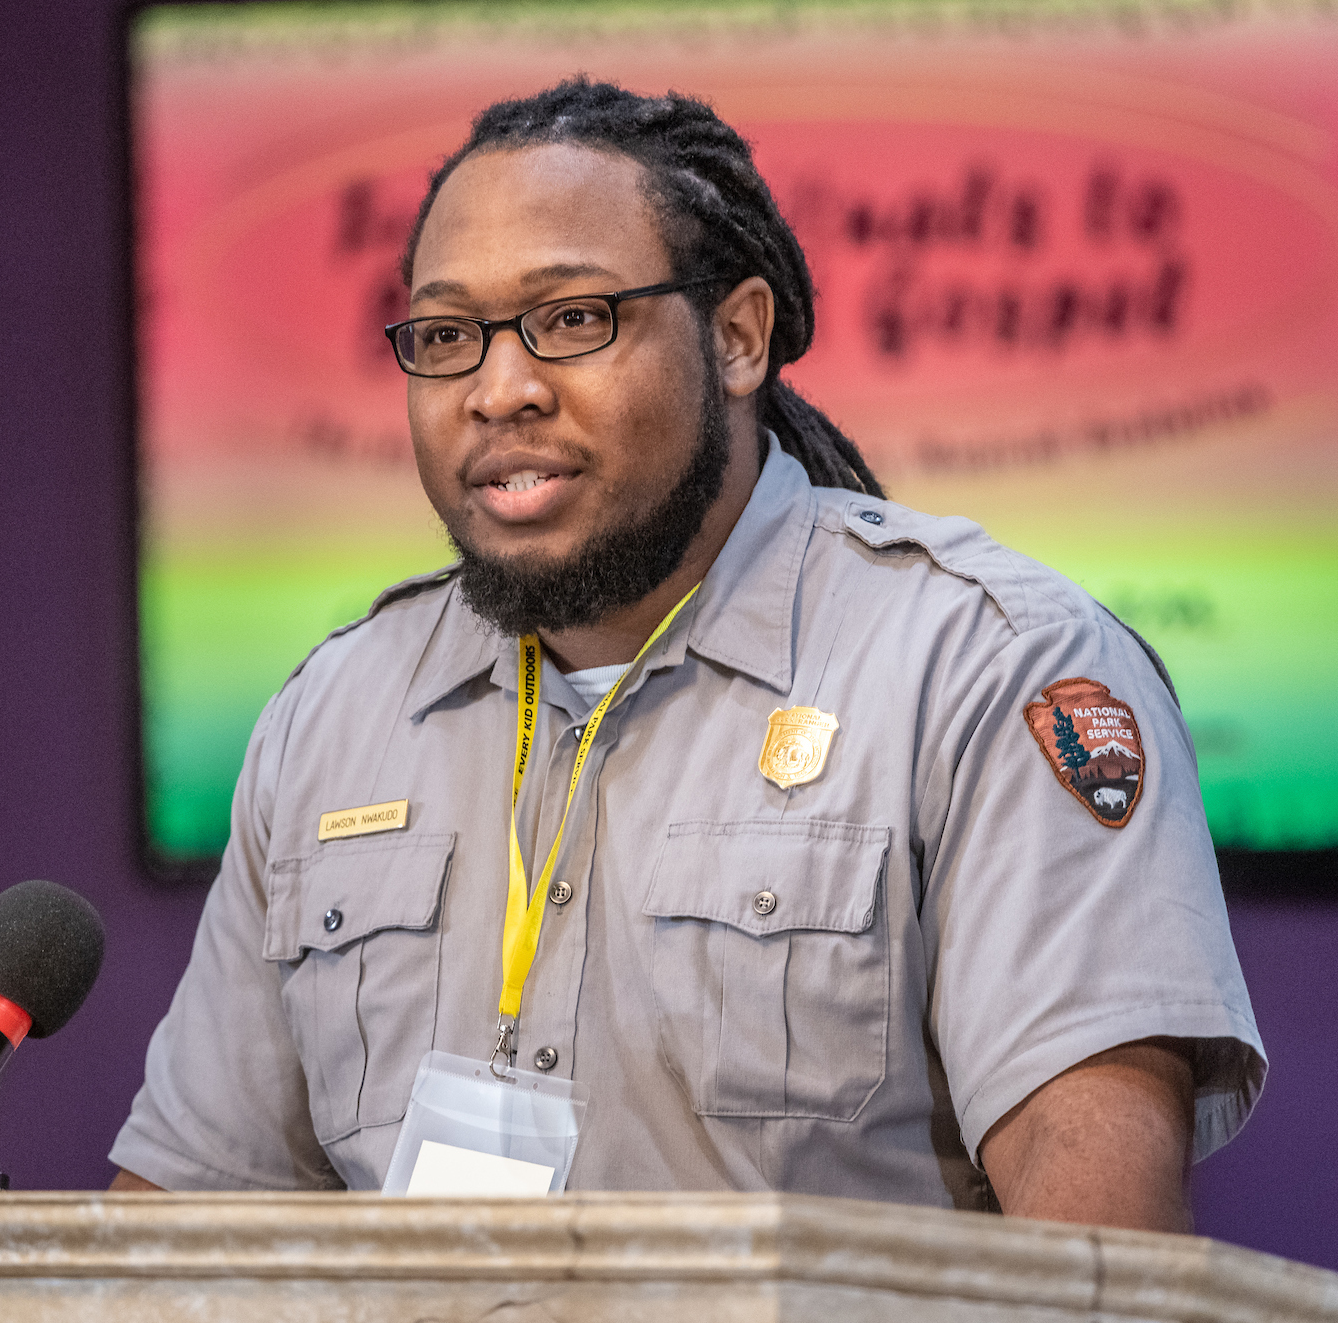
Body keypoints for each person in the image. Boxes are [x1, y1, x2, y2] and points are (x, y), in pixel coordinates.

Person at [111, 79, 1263, 1227]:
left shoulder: (981, 667)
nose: (499, 390)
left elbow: (1101, 1276)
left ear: (738, 336)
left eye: (572, 320)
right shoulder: (335, 715)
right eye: (449, 337)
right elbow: (174, 1247)